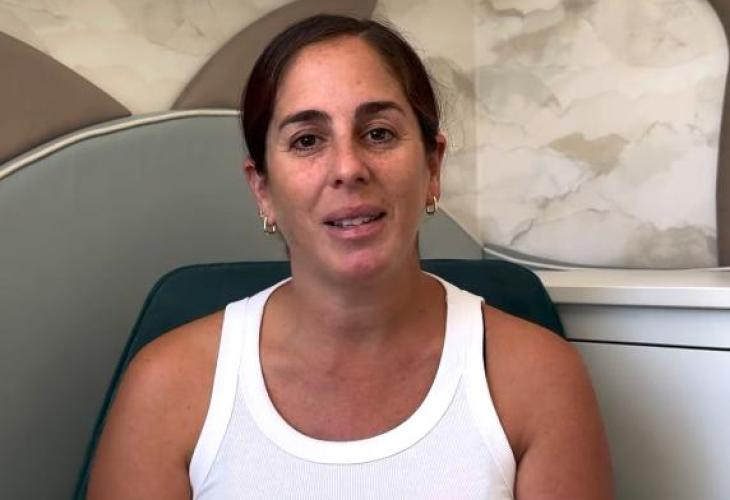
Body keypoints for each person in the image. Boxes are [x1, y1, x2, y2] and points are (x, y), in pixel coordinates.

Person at [87, 14, 613, 499]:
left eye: (378, 133)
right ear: (262, 189)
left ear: (432, 166)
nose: (348, 168)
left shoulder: (538, 379)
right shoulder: (167, 387)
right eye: (307, 140)